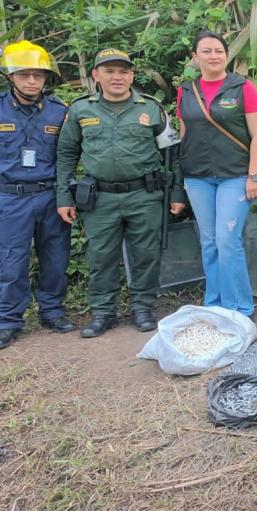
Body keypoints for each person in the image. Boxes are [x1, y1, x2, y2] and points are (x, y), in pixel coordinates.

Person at [56, 49, 186, 337]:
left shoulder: (151, 108)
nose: (117, 77)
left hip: (145, 195)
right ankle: (103, 312)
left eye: (123, 71)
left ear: (131, 75)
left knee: (146, 254)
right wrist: (64, 196)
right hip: (99, 199)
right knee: (100, 257)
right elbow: (66, 154)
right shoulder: (80, 110)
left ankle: (142, 308)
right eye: (110, 71)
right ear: (96, 75)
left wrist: (177, 192)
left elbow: (172, 155)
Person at [177, 31, 257, 317]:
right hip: (197, 176)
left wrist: (254, 175)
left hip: (234, 175)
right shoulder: (186, 90)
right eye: (206, 51)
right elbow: (183, 133)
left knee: (228, 240)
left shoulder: (242, 87)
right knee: (209, 240)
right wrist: (180, 180)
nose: (213, 56)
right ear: (195, 57)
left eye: (218, 50)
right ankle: (214, 304)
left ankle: (239, 307)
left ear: (226, 55)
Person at [0, 41, 74, 349]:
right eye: (25, 75)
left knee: (56, 257)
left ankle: (52, 311)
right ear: (11, 77)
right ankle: (8, 320)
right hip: (10, 198)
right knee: (11, 260)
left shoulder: (60, 113)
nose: (32, 81)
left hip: (49, 196)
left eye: (39, 75)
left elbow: (69, 156)